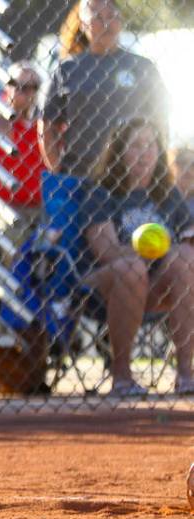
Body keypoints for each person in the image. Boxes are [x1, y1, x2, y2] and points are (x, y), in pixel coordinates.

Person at [79, 117, 193, 396]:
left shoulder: (168, 195)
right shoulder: (102, 191)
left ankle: (186, 374)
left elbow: (188, 242)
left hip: (156, 287)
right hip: (103, 285)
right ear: (119, 152)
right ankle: (122, 377)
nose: (144, 154)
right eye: (136, 146)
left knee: (183, 258)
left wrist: (179, 249)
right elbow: (105, 252)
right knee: (131, 267)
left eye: (151, 146)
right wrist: (150, 250)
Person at [41, 0, 169, 179]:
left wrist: (153, 169)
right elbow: (47, 126)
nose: (107, 23)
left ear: (121, 20)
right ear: (83, 24)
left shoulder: (142, 67)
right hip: (80, 175)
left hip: (132, 176)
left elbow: (162, 121)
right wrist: (59, 173)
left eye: (111, 16)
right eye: (97, 17)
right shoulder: (67, 69)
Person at [0, 61, 47, 247]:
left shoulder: (43, 122)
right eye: (21, 87)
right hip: (7, 207)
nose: (29, 93)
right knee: (11, 237)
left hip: (41, 206)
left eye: (34, 88)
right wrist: (11, 105)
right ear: (8, 86)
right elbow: (4, 131)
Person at [169, 146, 194, 217]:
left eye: (193, 165)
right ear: (173, 166)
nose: (187, 170)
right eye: (182, 163)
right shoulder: (161, 198)